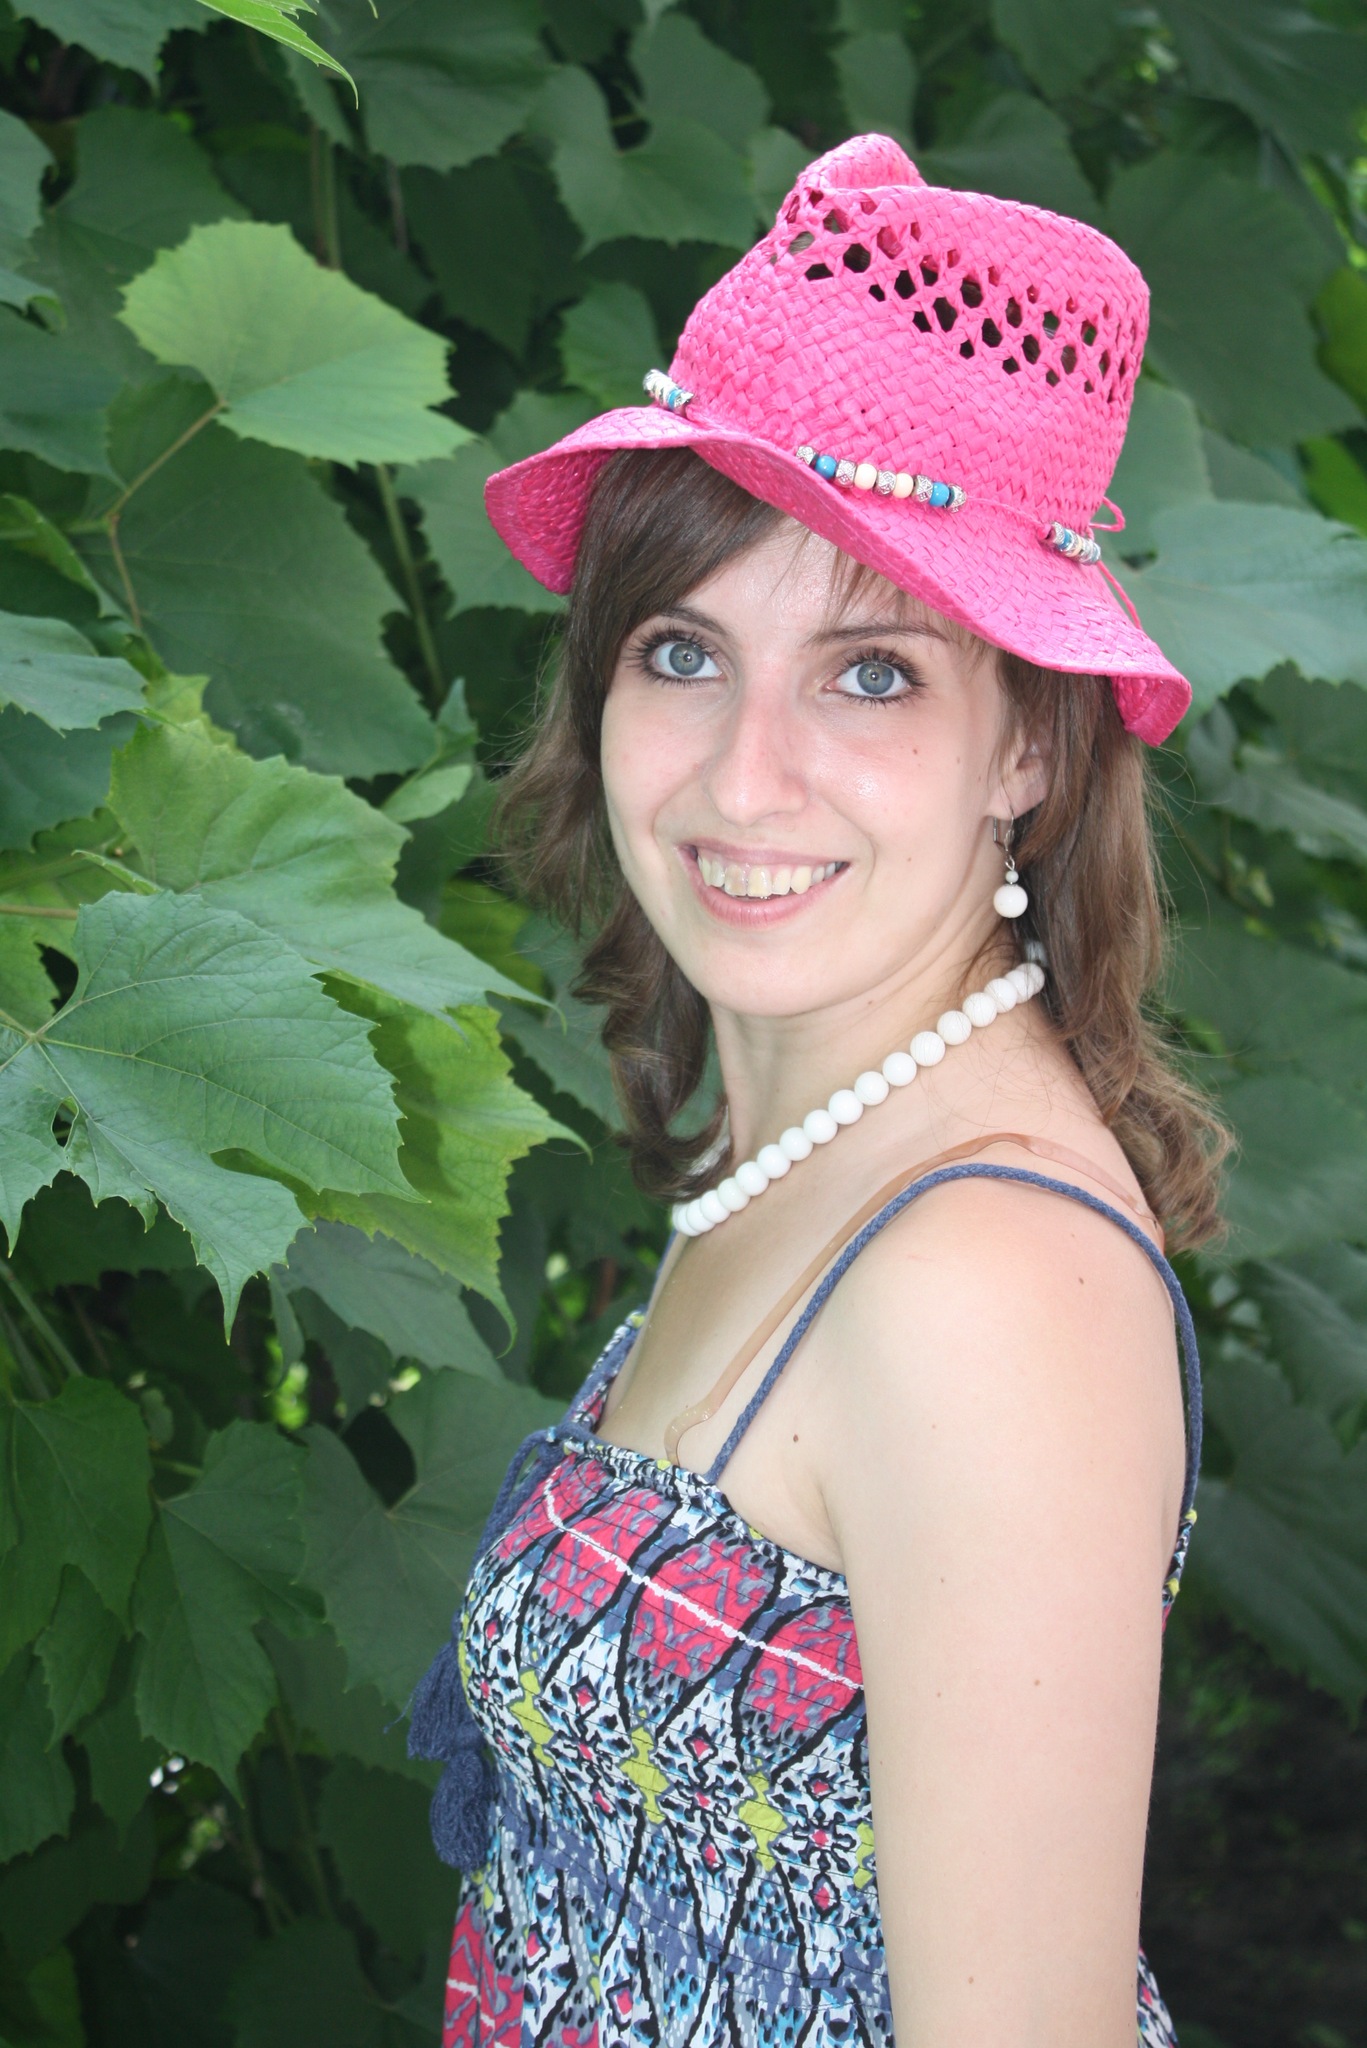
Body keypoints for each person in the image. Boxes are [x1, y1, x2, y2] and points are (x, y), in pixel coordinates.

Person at [409, 132, 1228, 2048]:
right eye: (683, 652)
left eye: (871, 676)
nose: (743, 776)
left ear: (1029, 744)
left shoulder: (990, 1291)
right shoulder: (814, 1143)